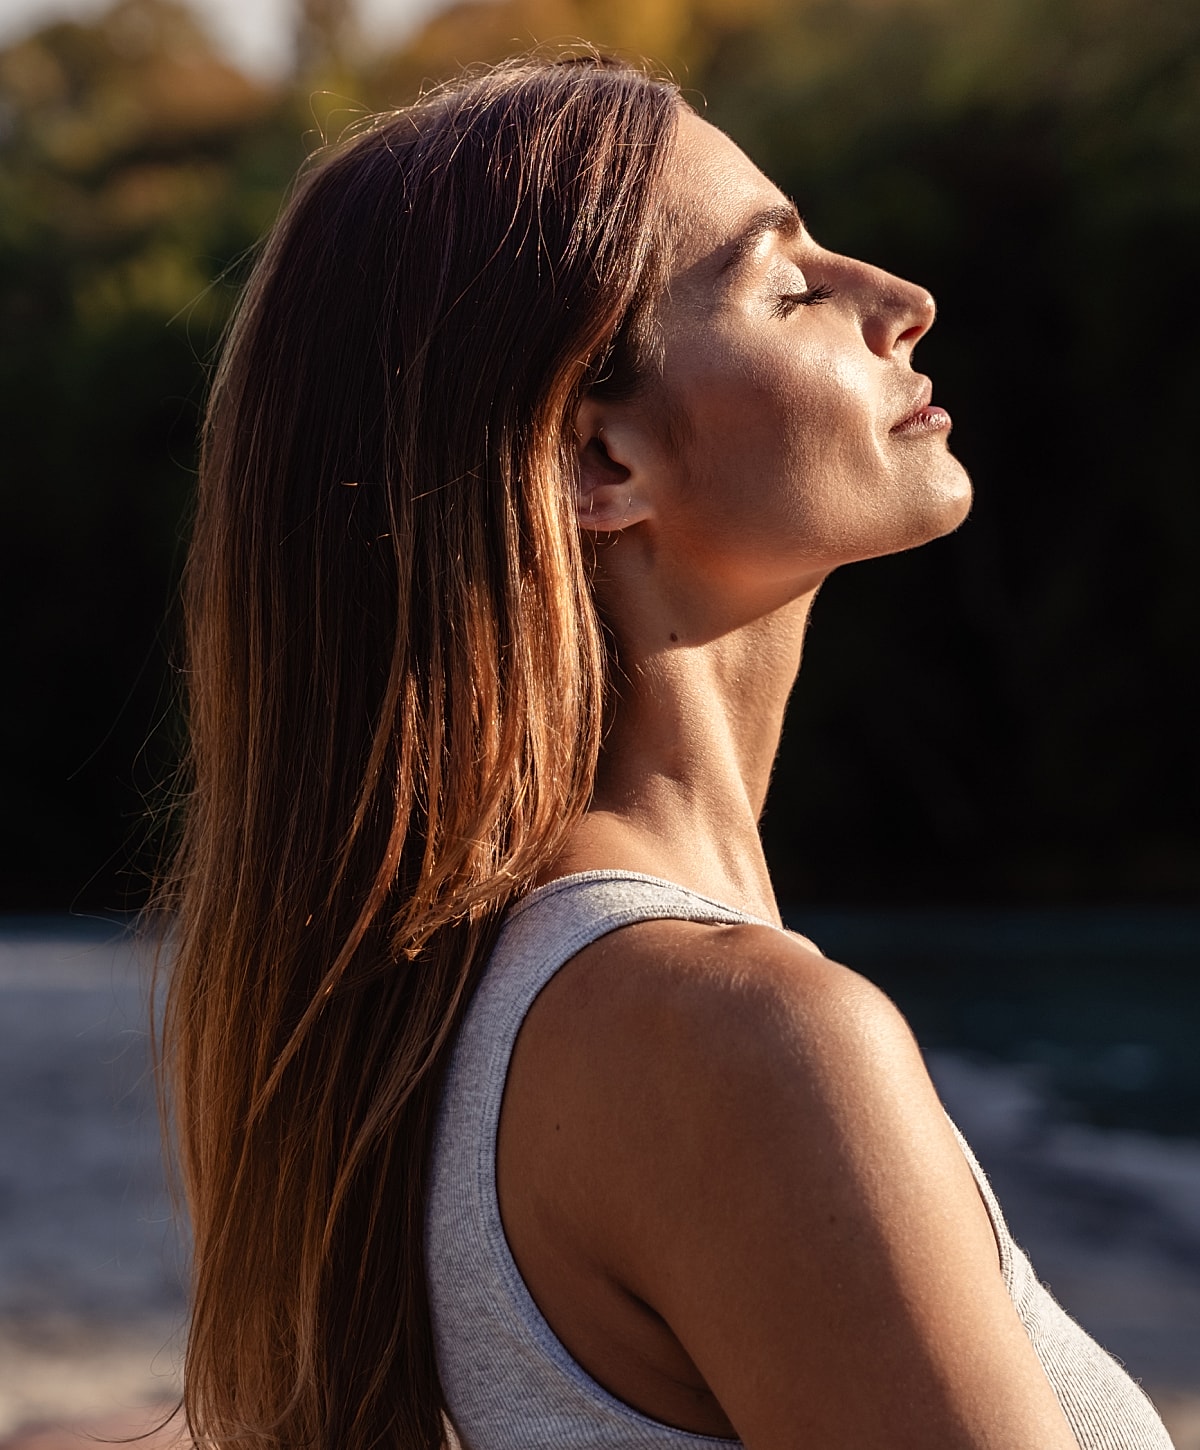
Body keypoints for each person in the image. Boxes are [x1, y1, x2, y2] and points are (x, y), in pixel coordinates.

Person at [158, 53, 1175, 1450]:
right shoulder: (746, 1044)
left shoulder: (441, 1031)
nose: (903, 299)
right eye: (791, 285)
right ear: (598, 464)